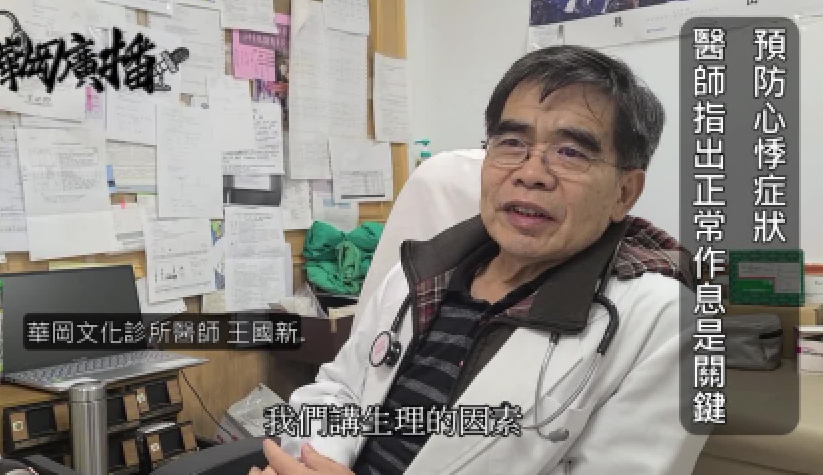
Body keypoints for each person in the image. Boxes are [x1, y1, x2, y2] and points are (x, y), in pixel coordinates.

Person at [250, 45, 707, 474]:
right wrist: (313, 460)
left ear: (624, 192)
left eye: (570, 152)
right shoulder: (422, 272)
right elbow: (340, 391)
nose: (531, 173)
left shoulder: (668, 322)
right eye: (511, 143)